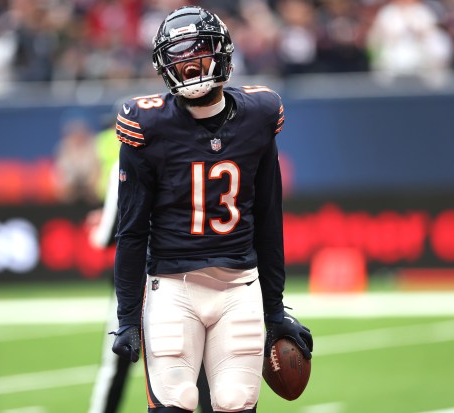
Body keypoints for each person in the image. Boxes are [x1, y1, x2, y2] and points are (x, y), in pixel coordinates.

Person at [110, 6, 313, 413]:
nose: (188, 66)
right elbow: (132, 230)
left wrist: (275, 307)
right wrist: (128, 316)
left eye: (197, 52)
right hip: (172, 287)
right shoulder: (146, 125)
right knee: (176, 402)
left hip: (240, 286)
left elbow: (270, 220)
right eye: (178, 57)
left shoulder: (258, 115)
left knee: (235, 401)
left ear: (221, 52)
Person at [86, 110, 214, 413]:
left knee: (117, 360)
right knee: (198, 365)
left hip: (139, 277)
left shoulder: (125, 159)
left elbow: (110, 233)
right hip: (185, 274)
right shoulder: (194, 154)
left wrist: (95, 229)